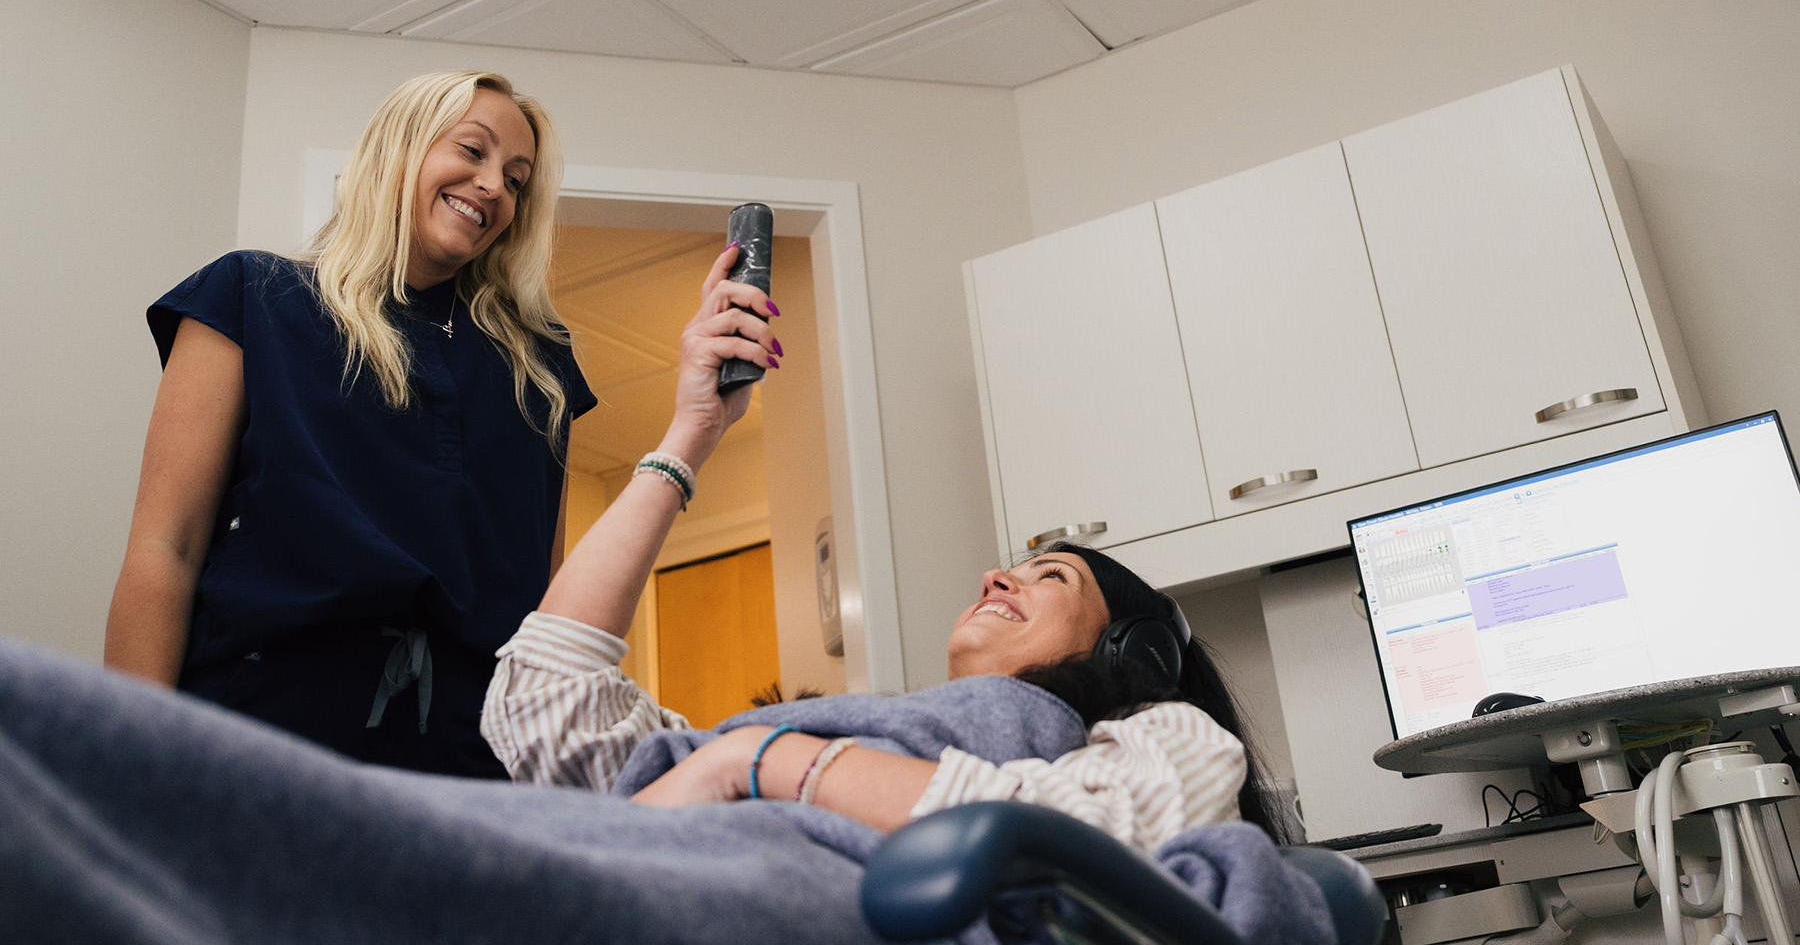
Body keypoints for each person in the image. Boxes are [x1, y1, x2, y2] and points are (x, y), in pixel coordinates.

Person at [483, 249, 1277, 849]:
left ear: (1129, 651)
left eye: (1053, 575)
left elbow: (1093, 843)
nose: (995, 577)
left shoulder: (1162, 737)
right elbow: (549, 699)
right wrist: (692, 434)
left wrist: (754, 763)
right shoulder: (882, 737)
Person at [102, 69, 611, 778]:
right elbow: (167, 548)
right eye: (472, 150)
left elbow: (548, 607)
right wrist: (130, 770)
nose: (494, 186)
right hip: (260, 738)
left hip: (475, 762)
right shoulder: (252, 297)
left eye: (517, 180)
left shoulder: (540, 369)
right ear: (398, 149)